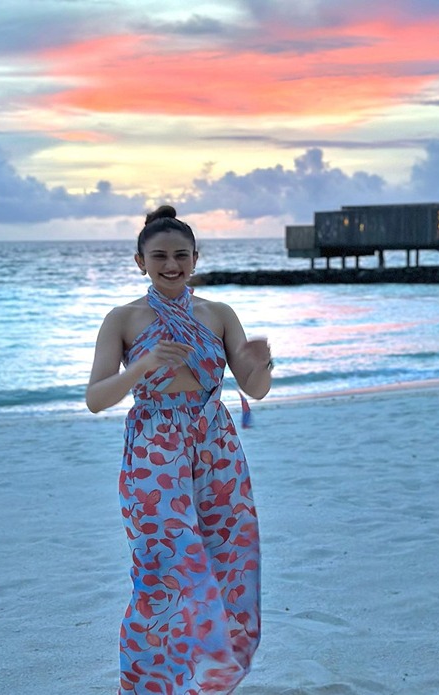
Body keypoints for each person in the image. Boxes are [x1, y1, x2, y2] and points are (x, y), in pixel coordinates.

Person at [86, 205, 272, 694]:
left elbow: (254, 390)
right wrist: (141, 366)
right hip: (154, 445)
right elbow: (95, 399)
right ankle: (148, 685)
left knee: (226, 560)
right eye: (160, 256)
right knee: (163, 566)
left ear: (196, 258)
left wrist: (262, 364)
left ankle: (204, 683)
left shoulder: (219, 314)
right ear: (140, 262)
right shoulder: (123, 319)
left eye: (181, 255)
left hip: (215, 443)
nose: (172, 265)